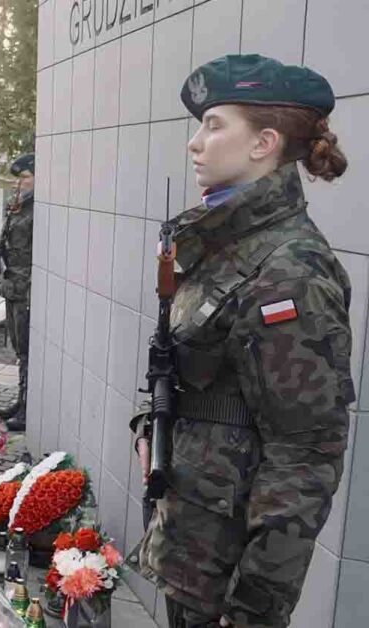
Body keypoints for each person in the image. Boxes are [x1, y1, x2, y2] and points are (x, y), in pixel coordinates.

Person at [132, 54, 354, 628]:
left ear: (264, 144)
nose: (195, 144)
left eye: (214, 124)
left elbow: (304, 456)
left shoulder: (290, 269)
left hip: (227, 578)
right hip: (192, 545)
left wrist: (254, 609)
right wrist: (151, 423)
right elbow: (201, 379)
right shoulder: (226, 244)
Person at [0, 154, 34, 432]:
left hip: (26, 288)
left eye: (26, 178)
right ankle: (21, 400)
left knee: (28, 351)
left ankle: (29, 407)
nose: (21, 184)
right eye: (19, 179)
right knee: (20, 350)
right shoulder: (19, 206)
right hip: (12, 286)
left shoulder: (39, 209)